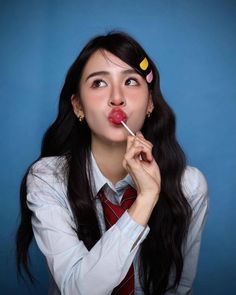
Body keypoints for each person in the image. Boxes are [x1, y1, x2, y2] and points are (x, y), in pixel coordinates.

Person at [16, 31, 208, 295]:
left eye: (130, 81)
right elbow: (77, 289)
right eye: (98, 83)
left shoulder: (189, 185)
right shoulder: (48, 179)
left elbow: (179, 287)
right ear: (78, 106)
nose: (116, 97)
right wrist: (145, 200)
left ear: (150, 102)